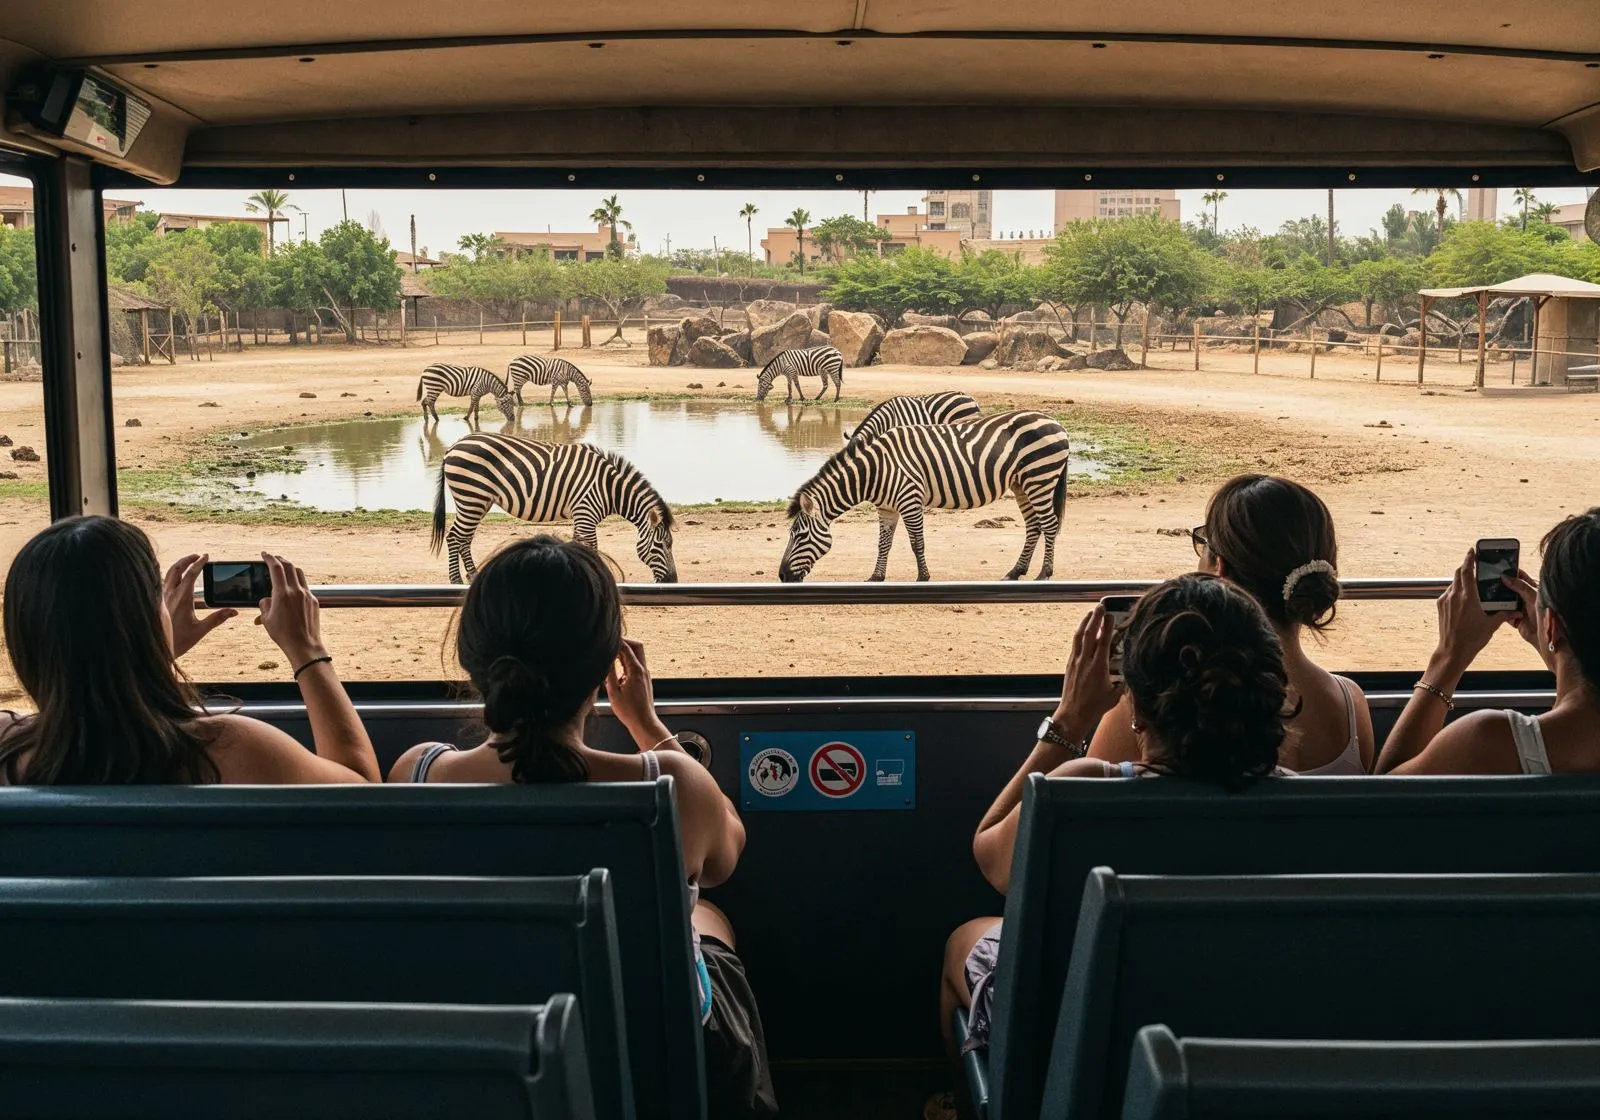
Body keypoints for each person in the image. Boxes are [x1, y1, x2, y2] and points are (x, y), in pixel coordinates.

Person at [389, 534, 776, 1120]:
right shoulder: (671, 783)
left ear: (475, 662)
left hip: (481, 1049)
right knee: (709, 920)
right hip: (650, 1052)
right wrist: (648, 725)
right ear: (606, 666)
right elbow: (725, 855)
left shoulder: (415, 773)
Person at [941, 574, 1293, 1072]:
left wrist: (1069, 721)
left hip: (1089, 1034)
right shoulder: (1308, 797)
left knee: (967, 937)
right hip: (1252, 1025)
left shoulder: (1081, 786)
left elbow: (992, 859)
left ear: (1137, 706)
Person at [0, 515, 378, 785]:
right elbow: (360, 793)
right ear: (149, 620)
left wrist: (148, 656)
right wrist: (308, 652)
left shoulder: (8, 744)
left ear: (22, 635)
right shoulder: (231, 747)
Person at [1089, 473, 1373, 774]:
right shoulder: (1351, 705)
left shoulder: (1150, 713)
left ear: (1219, 571)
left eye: (1203, 544)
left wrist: (1066, 724)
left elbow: (1073, 804)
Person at [1378, 511, 1600, 774]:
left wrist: (1450, 656)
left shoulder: (1487, 741)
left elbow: (1384, 796)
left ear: (1551, 624)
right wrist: (1558, 649)